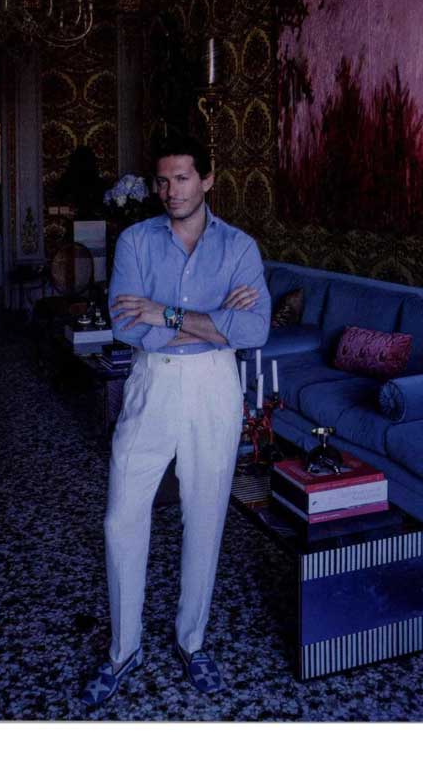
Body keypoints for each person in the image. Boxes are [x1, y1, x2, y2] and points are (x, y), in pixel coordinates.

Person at [80, 135, 271, 708]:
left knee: (205, 516)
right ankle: (124, 649)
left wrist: (165, 312)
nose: (171, 191)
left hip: (214, 386)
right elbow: (126, 325)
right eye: (162, 181)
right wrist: (213, 320)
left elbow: (253, 330)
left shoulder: (239, 248)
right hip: (152, 382)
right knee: (121, 517)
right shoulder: (136, 241)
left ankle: (192, 641)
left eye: (183, 178)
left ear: (207, 179)